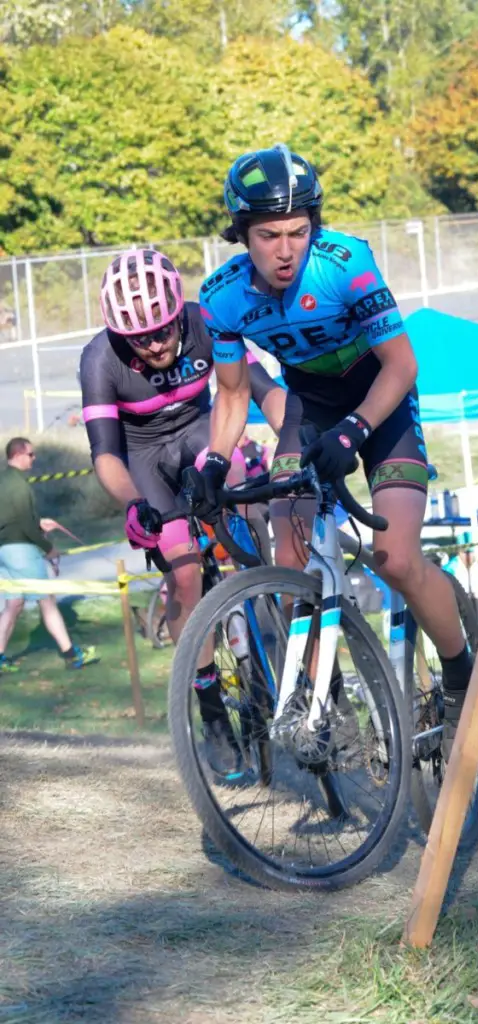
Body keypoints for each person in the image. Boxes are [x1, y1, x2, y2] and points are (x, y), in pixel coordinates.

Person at [192, 142, 474, 756]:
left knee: (395, 559)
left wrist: (356, 430)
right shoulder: (221, 298)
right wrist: (213, 460)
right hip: (310, 409)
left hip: (381, 400)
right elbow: (234, 394)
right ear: (243, 234)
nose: (287, 249)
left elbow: (402, 364)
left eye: (298, 231)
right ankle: (322, 696)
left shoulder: (347, 264)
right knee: (289, 558)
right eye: (269, 235)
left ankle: (459, 672)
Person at [79, 248, 285, 774]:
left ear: (178, 315)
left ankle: (265, 600)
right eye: (138, 339)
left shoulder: (202, 321)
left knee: (238, 477)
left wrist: (298, 437)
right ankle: (210, 703)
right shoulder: (99, 359)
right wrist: (134, 504)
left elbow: (261, 390)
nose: (154, 345)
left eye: (163, 331)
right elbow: (106, 455)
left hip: (199, 432)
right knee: (185, 570)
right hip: (143, 456)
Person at [0, 438, 96, 672]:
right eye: (31, 454)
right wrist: (48, 548)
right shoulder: (20, 485)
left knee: (13, 604)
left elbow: (14, 519)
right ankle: (72, 655)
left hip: (4, 550)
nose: (34, 458)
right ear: (19, 454)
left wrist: (39, 523)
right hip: (21, 549)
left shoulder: (3, 481)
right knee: (47, 601)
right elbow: (24, 524)